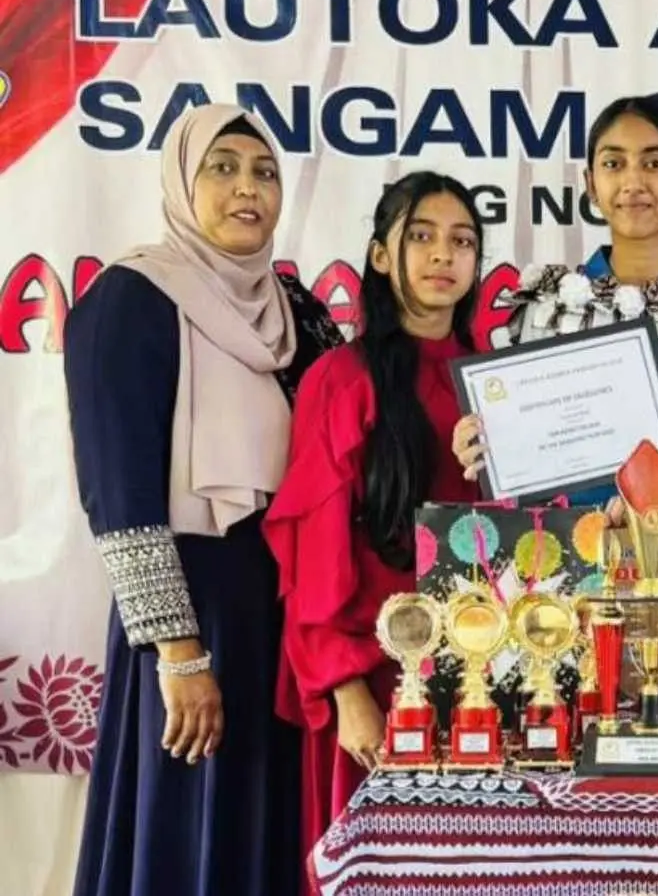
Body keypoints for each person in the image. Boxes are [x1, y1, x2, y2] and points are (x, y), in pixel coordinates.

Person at [64, 104, 342, 896]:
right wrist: (179, 653)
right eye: (221, 168)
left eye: (263, 172)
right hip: (193, 615)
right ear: (183, 183)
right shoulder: (130, 299)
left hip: (285, 612)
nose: (245, 189)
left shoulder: (300, 315)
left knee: (270, 819)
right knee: (191, 817)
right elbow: (118, 492)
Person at [452, 94, 658, 695]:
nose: (634, 181)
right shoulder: (548, 313)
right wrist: (483, 450)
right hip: (571, 572)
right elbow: (518, 473)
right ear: (589, 184)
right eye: (614, 163)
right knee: (572, 747)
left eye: (655, 163)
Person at [262, 172, 485, 886]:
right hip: (376, 677)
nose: (442, 256)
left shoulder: (498, 381)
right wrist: (345, 690)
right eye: (420, 237)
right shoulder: (342, 377)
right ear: (382, 256)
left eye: (461, 241)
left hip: (485, 673)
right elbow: (314, 551)